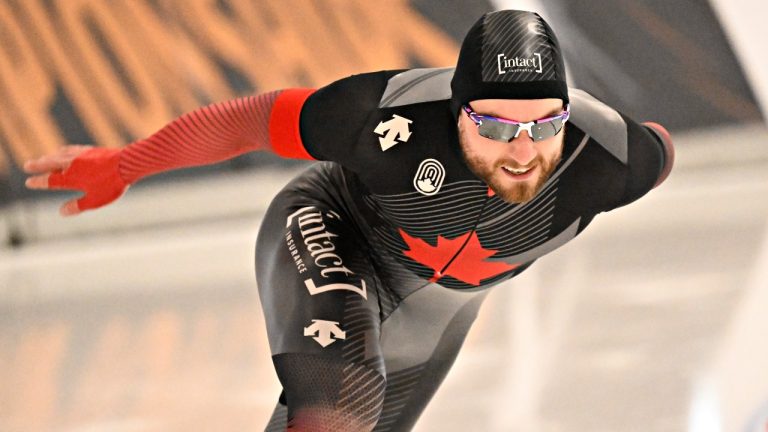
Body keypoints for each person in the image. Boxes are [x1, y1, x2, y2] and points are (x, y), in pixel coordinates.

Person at [23, 10, 674, 432]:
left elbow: (660, 148)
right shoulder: (383, 115)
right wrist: (126, 163)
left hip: (437, 309)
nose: (523, 150)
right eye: (497, 124)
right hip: (334, 227)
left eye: (544, 124)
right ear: (455, 111)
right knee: (341, 398)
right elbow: (251, 119)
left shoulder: (612, 157)